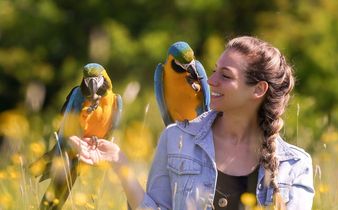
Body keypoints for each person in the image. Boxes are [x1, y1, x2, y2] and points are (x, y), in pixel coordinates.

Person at [69, 36, 314, 210]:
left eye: (225, 76)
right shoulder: (175, 138)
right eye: (215, 70)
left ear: (258, 90)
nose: (210, 80)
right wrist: (119, 164)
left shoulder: (296, 165)